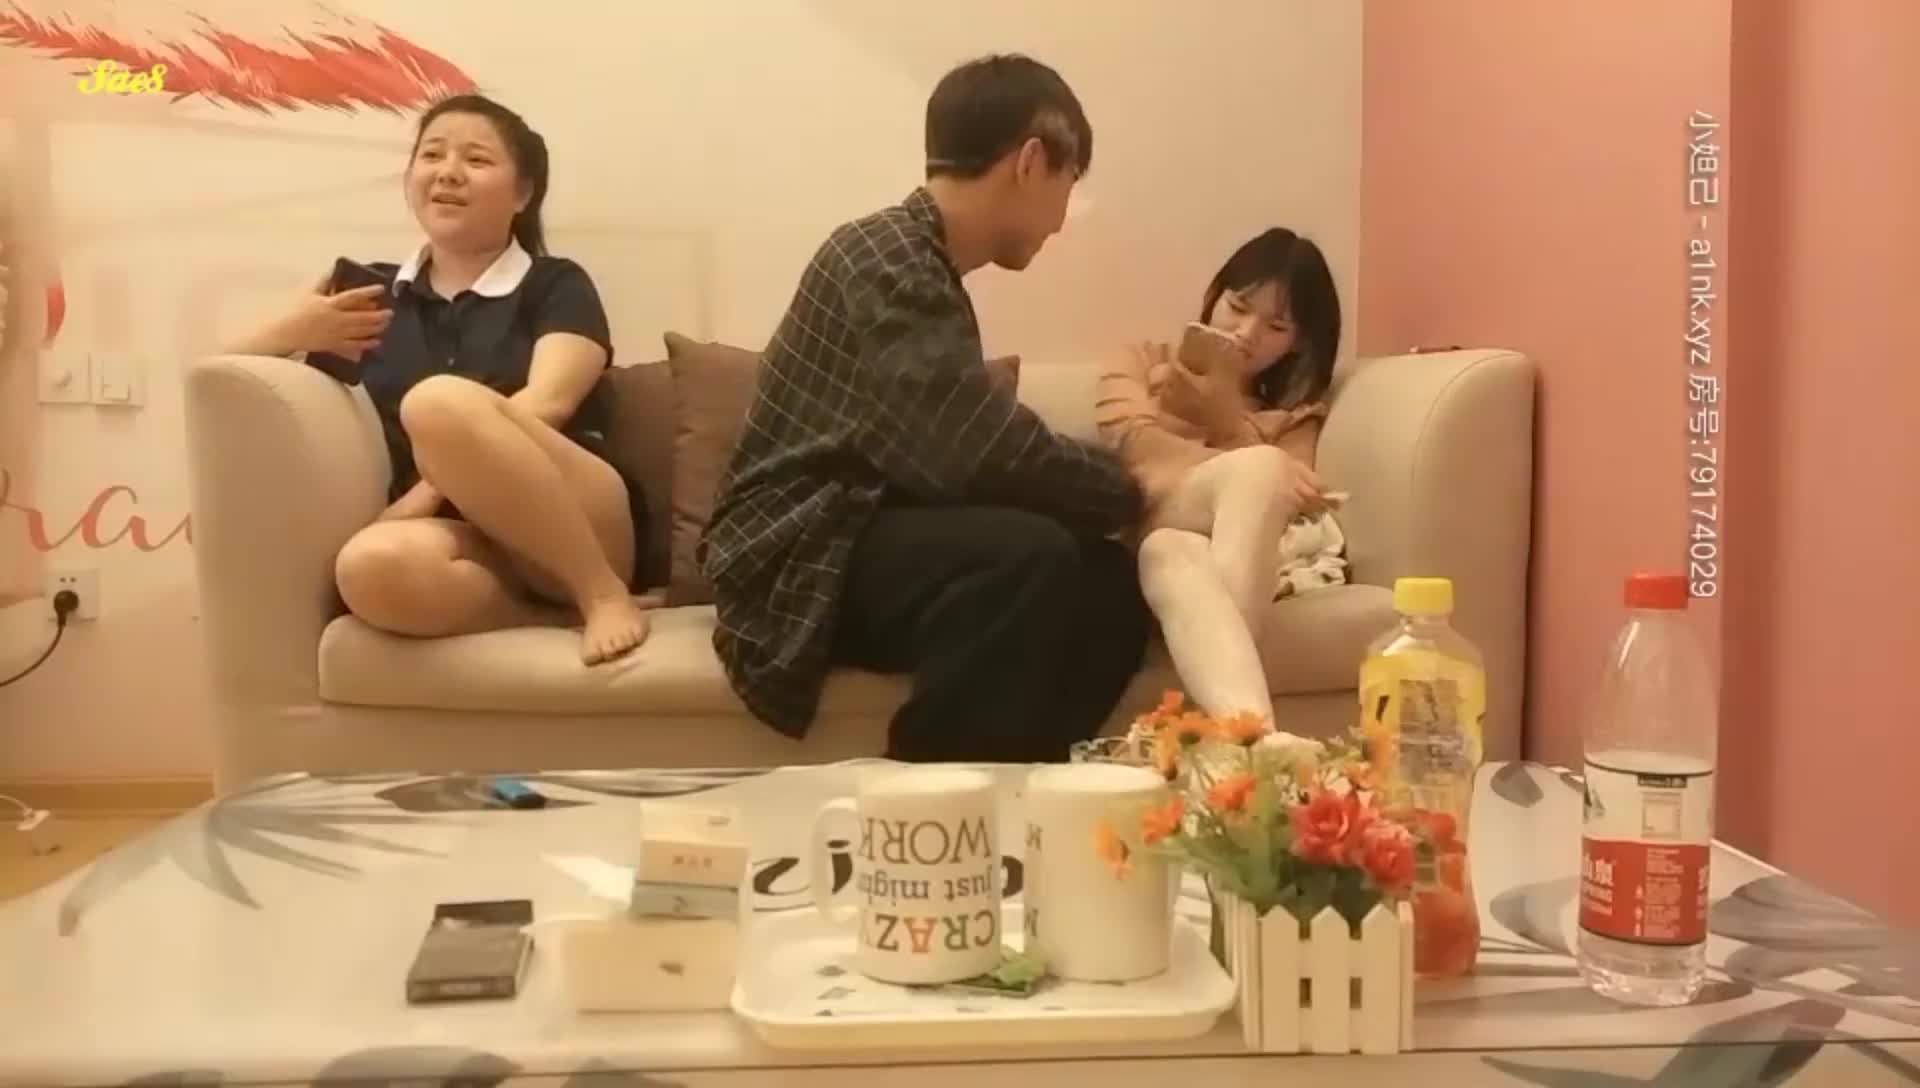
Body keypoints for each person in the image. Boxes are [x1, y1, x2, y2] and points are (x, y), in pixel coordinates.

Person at [698, 54, 1149, 763]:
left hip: (858, 525)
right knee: (1022, 557)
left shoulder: (916, 261)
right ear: (1032, 162)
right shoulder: (883, 257)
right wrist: (1136, 485)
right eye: (1068, 183)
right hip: (798, 551)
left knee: (1112, 587)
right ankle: (919, 801)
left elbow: (957, 453)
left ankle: (1027, 784)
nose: (1063, 221)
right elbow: (975, 451)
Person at [225, 94, 651, 665]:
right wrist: (293, 329)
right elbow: (220, 377)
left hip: (580, 517)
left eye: (476, 159)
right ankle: (551, 618)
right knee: (368, 568)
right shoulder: (368, 297)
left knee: (437, 404)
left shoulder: (555, 283)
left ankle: (601, 594)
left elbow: (550, 402)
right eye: (431, 155)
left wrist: (422, 495)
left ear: (522, 194)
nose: (448, 172)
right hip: (464, 541)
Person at [1095, 228, 1342, 734]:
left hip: (1187, 547)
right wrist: (1226, 442)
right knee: (1263, 468)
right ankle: (1250, 740)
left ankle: (1245, 740)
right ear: (1214, 297)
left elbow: (1293, 505)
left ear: (1298, 343)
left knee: (1170, 552)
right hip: (1140, 512)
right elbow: (1133, 447)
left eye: (1275, 326)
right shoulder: (1142, 362)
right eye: (1237, 306)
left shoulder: (1292, 417)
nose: (1247, 332)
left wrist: (1229, 418)